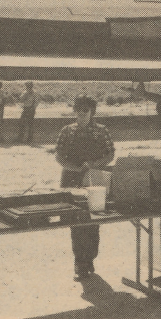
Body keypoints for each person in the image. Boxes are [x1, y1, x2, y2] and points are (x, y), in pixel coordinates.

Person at [55, 95, 115, 280]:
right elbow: (58, 156)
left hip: (95, 178)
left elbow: (110, 154)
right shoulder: (66, 131)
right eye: (78, 111)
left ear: (92, 112)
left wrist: (94, 165)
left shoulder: (102, 131)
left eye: (85, 111)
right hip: (71, 179)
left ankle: (89, 259)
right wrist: (75, 168)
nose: (81, 115)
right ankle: (79, 262)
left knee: (94, 219)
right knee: (76, 221)